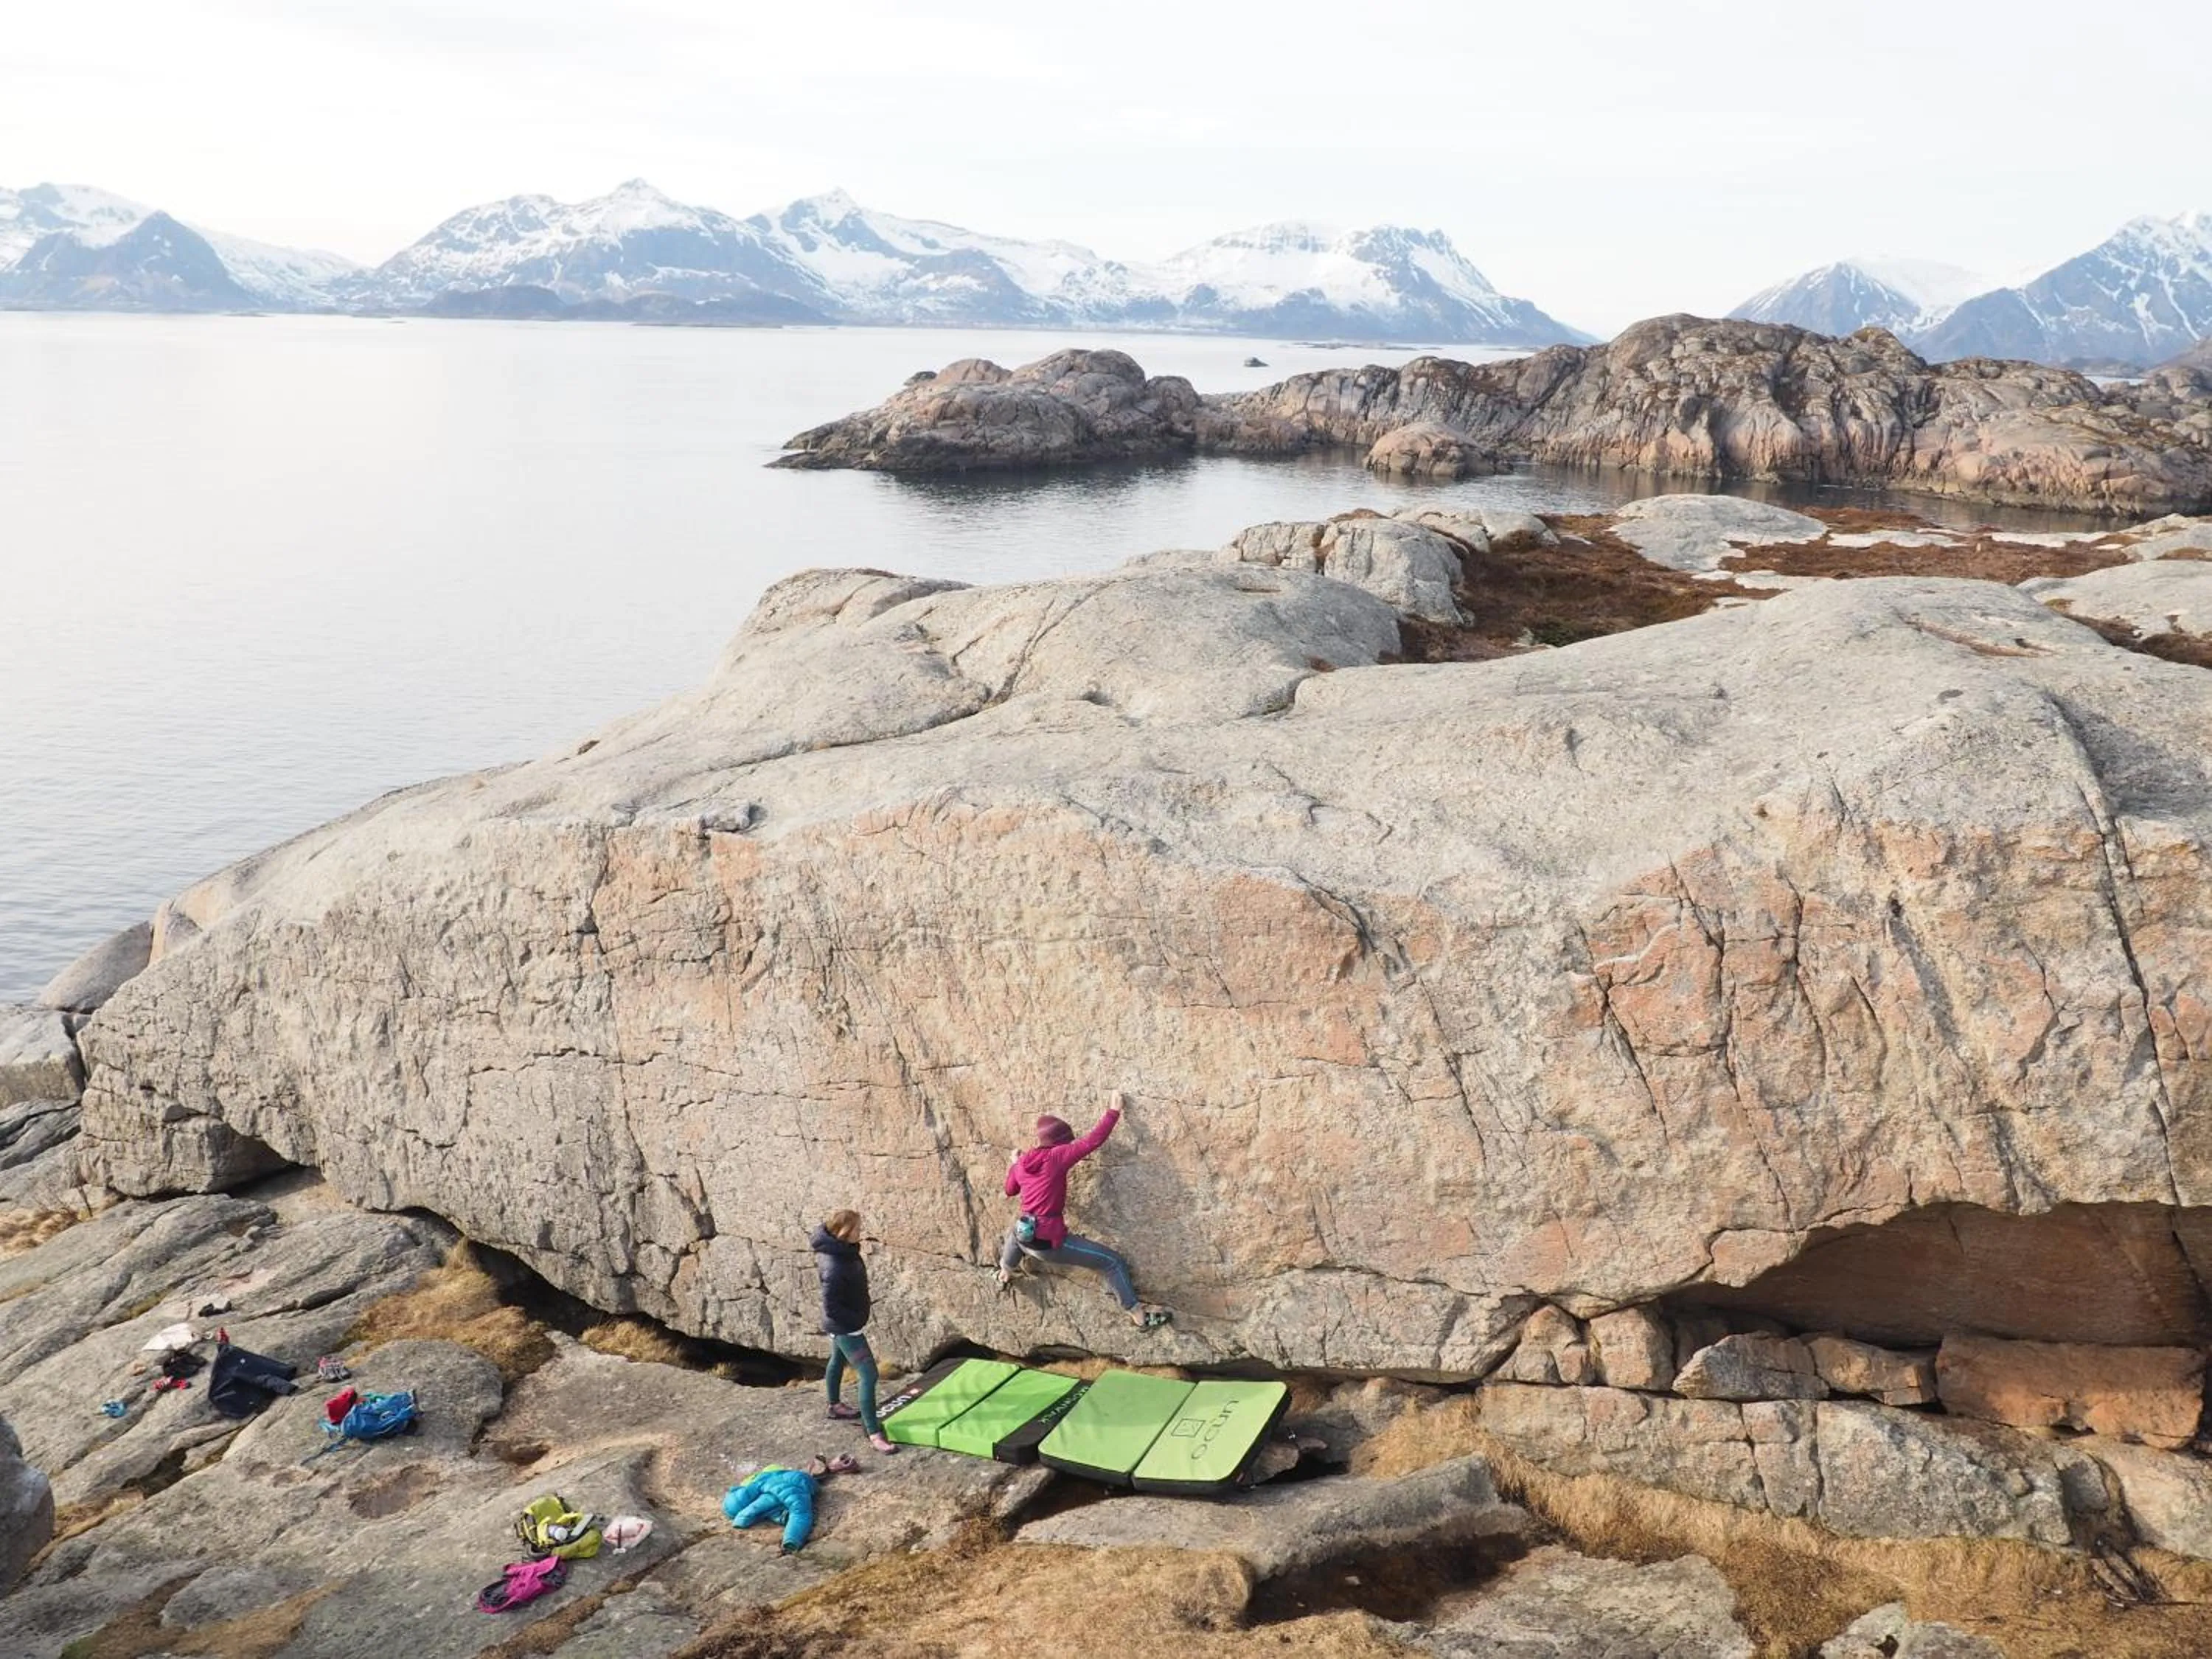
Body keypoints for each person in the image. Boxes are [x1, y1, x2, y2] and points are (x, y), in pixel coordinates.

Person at [997, 1090, 1170, 1329]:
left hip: (1024, 1236)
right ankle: (1138, 1315)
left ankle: (1005, 1270)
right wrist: (1113, 1112)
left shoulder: (1023, 1162)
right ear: (1059, 1142)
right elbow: (1092, 1141)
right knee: (1112, 1262)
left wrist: (1014, 1165)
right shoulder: (1058, 1155)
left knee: (1015, 1234)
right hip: (1047, 1243)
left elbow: (1009, 1190)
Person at [812, 1209, 898, 1454]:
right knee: (869, 1374)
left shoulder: (838, 1251)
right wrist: (854, 1322)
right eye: (857, 1230)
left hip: (841, 1325)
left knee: (837, 1360)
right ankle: (873, 1432)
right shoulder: (835, 1265)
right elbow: (832, 1305)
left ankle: (833, 1405)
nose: (861, 1233)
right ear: (843, 1233)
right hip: (846, 1328)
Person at [723, 1453, 856, 1554]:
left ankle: (787, 1529)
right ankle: (783, 1517)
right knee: (771, 1508)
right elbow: (750, 1509)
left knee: (793, 1511)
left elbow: (801, 1514)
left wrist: (792, 1540)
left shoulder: (770, 1491)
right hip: (791, 1481)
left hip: (796, 1485)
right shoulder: (759, 1482)